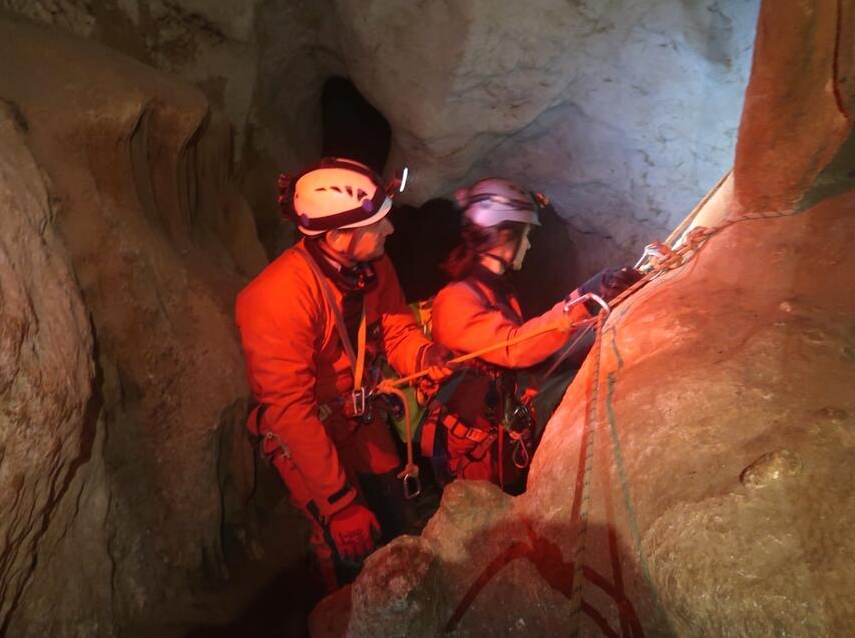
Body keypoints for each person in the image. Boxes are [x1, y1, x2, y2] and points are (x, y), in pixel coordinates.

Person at [235, 157, 452, 591]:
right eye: (377, 224)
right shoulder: (278, 298)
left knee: (400, 526)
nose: (390, 230)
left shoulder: (374, 268)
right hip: (307, 433)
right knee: (351, 548)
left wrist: (424, 355)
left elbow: (396, 331)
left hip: (361, 418)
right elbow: (290, 411)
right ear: (336, 236)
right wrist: (337, 505)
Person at [429, 178, 641, 493]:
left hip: (498, 425)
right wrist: (582, 299)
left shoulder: (491, 290)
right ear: (503, 235)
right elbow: (514, 348)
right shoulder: (456, 299)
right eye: (525, 235)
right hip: (477, 457)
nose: (528, 245)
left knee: (587, 349)